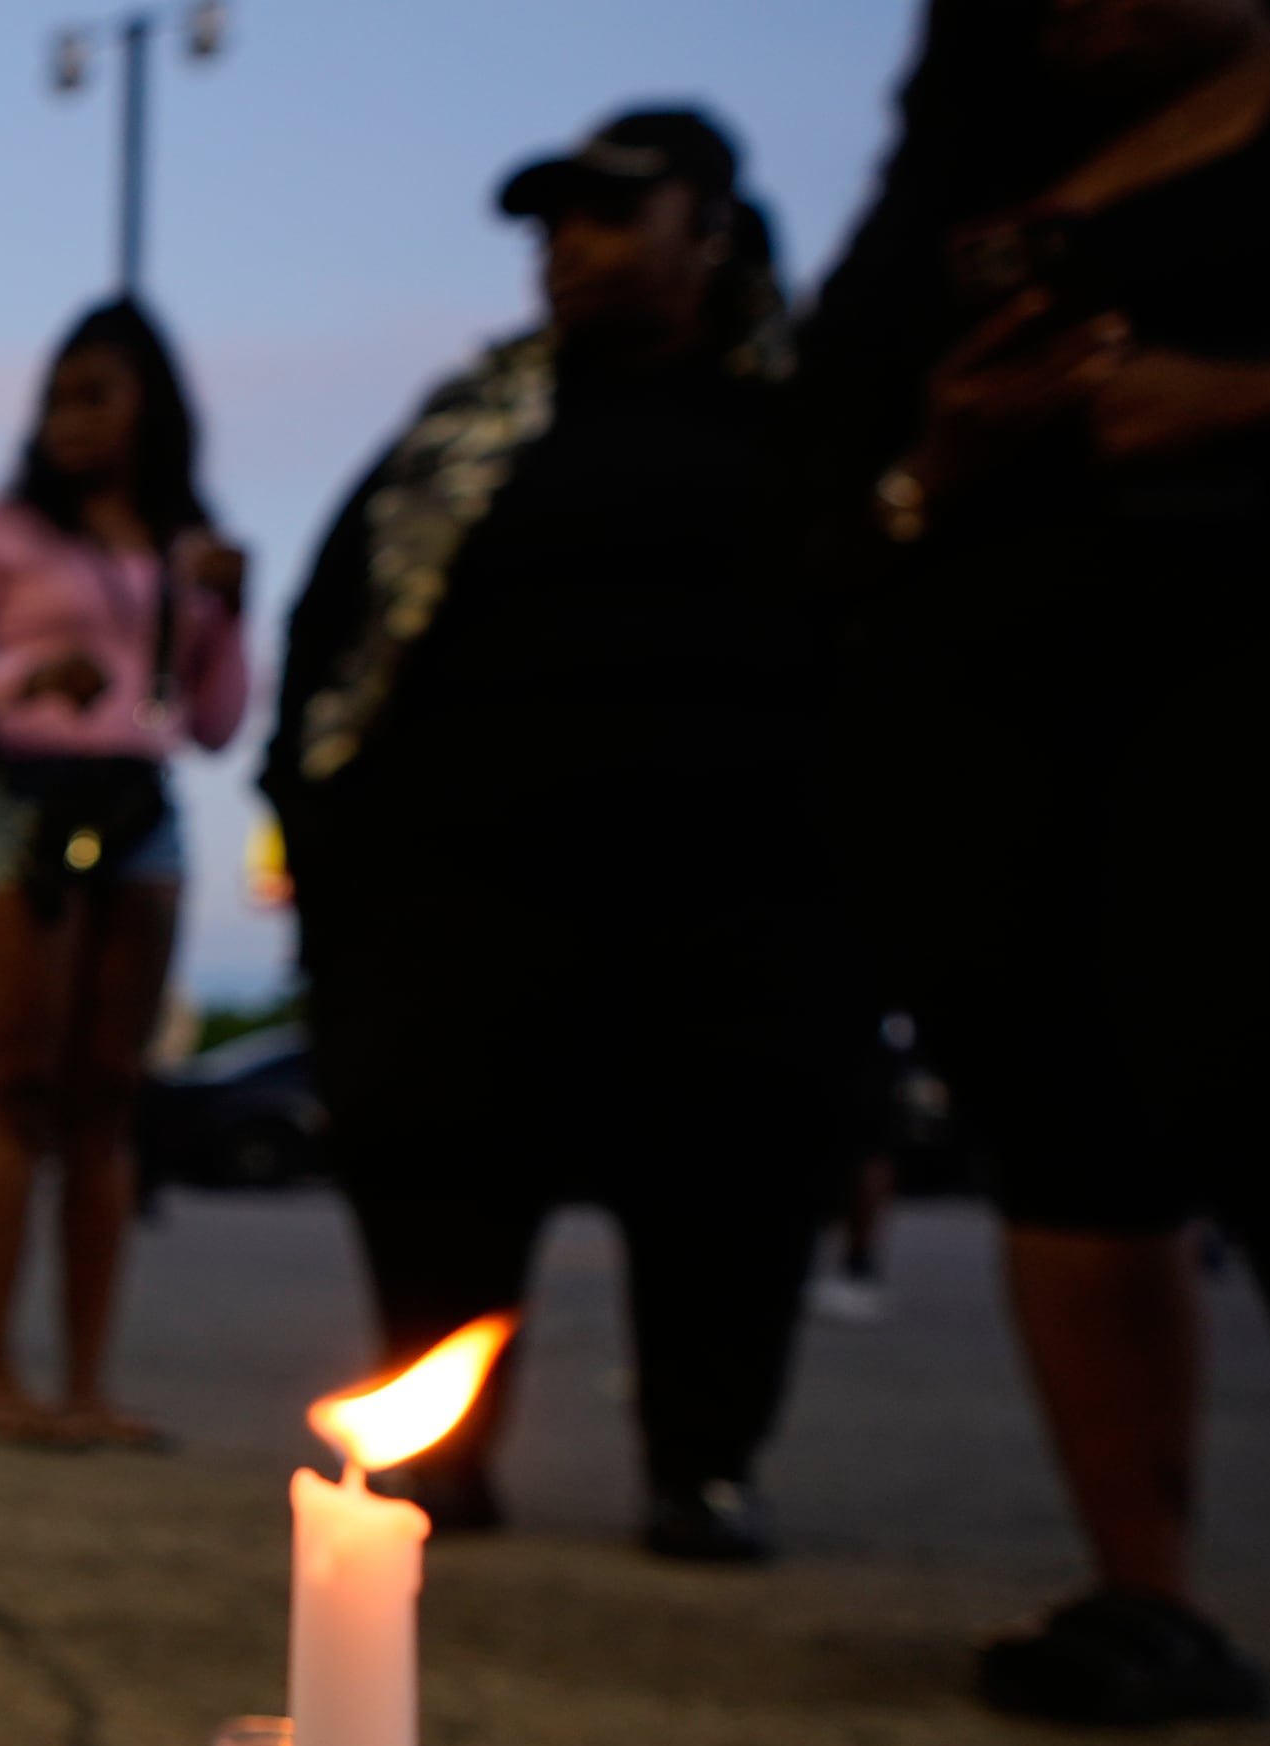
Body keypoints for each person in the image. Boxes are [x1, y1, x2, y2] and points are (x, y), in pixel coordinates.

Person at [794, 0, 1270, 1720]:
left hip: (1250, 673)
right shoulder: (964, 182)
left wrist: (1247, 393)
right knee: (1069, 1123)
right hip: (1002, 702)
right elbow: (823, 458)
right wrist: (940, 459)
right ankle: (1140, 1582)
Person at [264, 109, 858, 1563]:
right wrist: (324, 824)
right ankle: (440, 1448)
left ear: (711, 229)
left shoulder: (807, 418)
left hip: (729, 885)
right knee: (437, 1162)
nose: (571, 251)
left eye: (611, 215)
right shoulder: (473, 425)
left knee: (728, 1175)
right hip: (463, 887)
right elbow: (340, 625)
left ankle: (703, 1460)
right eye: (553, 227)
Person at [0, 304, 248, 1445]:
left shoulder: (185, 546)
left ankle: (88, 1381)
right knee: (18, 1089)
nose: (71, 420)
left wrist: (227, 615)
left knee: (106, 1099)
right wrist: (29, 672)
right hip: (14, 807)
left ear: (153, 407)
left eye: (99, 394)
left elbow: (218, 721)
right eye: (58, 396)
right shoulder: (2, 533)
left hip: (140, 811)